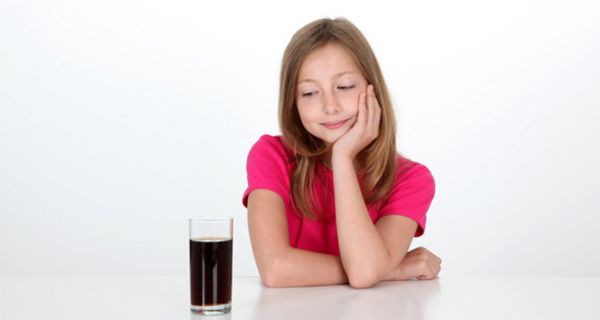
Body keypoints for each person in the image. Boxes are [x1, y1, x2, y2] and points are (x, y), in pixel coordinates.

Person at [242, 17, 441, 288]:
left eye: (345, 86)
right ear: (293, 102)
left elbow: (364, 272)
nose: (330, 106)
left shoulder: (411, 179)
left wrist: (343, 157)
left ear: (373, 90)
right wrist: (391, 269)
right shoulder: (270, 155)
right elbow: (276, 269)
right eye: (310, 92)